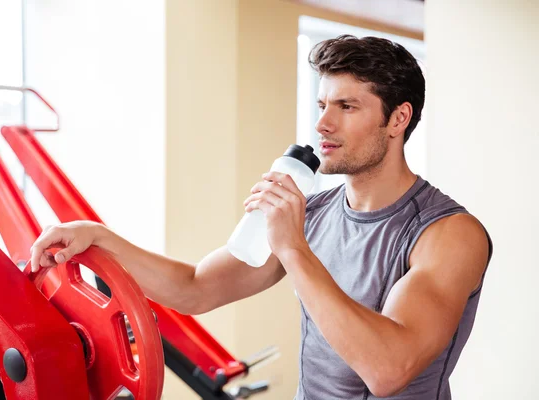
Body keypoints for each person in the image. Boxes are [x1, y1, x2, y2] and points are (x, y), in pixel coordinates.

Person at [30, 35, 492, 399]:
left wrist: (292, 247)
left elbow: (389, 370)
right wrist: (100, 237)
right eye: (322, 105)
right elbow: (195, 287)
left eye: (346, 106)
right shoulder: (312, 213)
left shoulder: (449, 234)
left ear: (398, 119)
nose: (322, 124)